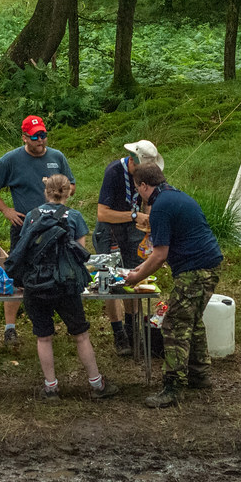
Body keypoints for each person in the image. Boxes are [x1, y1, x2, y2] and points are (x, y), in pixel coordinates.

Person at [11, 174, 119, 403]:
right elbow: (80, 255)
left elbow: (25, 249)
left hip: (36, 285)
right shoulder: (75, 217)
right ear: (69, 192)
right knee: (81, 335)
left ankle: (51, 388)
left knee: (43, 337)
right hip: (65, 284)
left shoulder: (32, 216)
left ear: (45, 192)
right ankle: (96, 384)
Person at [123, 163, 223, 408]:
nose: (138, 193)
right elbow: (159, 252)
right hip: (210, 265)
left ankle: (173, 386)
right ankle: (199, 374)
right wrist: (140, 269)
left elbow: (160, 255)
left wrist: (136, 277)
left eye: (137, 188)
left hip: (195, 270)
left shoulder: (160, 207)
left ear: (144, 185)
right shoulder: (175, 196)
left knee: (175, 324)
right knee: (192, 320)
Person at [0, 115, 75, 348]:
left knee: (56, 273)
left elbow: (72, 185)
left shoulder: (57, 157)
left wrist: (58, 189)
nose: (40, 140)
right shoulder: (11, 159)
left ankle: (53, 322)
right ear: (24, 137)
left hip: (55, 227)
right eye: (35, 137)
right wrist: (6, 210)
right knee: (17, 276)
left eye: (43, 135)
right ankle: (10, 328)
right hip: (24, 228)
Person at [93, 140, 162, 356]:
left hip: (132, 230)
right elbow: (102, 213)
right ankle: (118, 333)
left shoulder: (145, 176)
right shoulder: (114, 172)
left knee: (135, 276)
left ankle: (133, 330)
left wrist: (148, 217)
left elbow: (149, 200)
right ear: (132, 161)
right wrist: (134, 215)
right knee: (110, 281)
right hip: (110, 229)